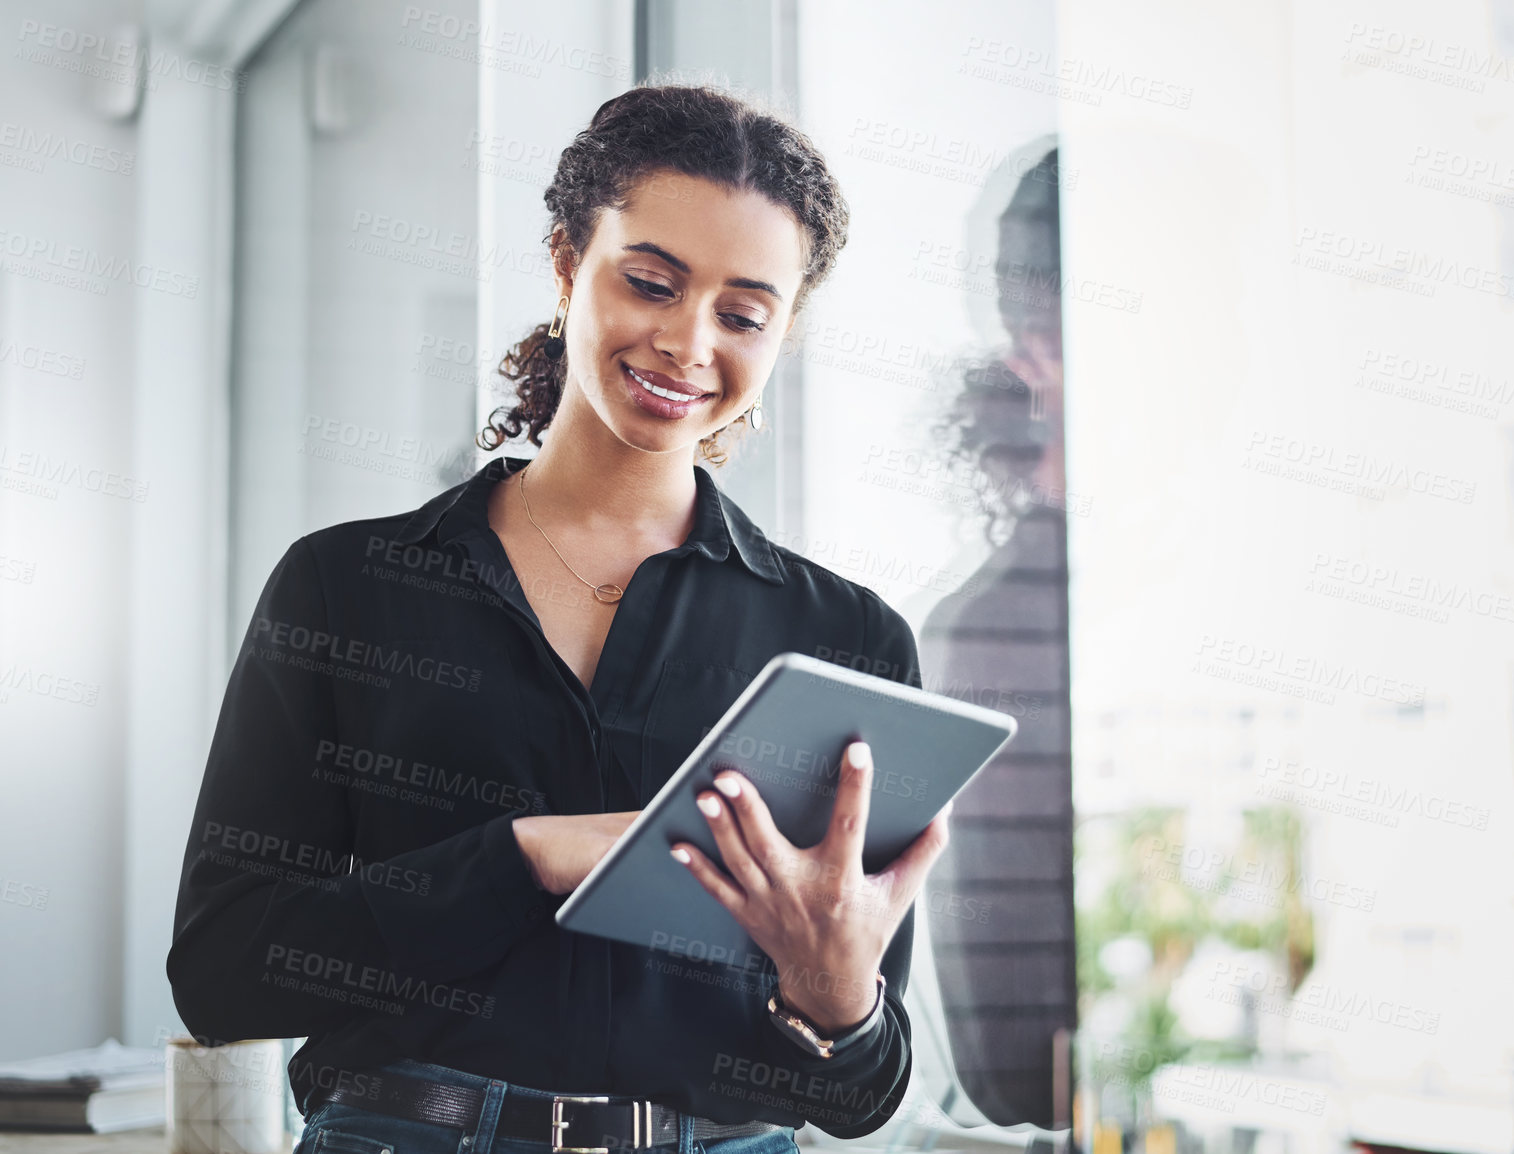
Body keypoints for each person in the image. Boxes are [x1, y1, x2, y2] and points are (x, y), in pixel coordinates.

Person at [166, 83, 952, 1154]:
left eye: (743, 314)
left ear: (782, 336)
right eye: (651, 282)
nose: (687, 342)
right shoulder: (346, 585)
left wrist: (839, 998)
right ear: (567, 261)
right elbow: (221, 973)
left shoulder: (846, 641)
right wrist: (521, 854)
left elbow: (862, 1096)